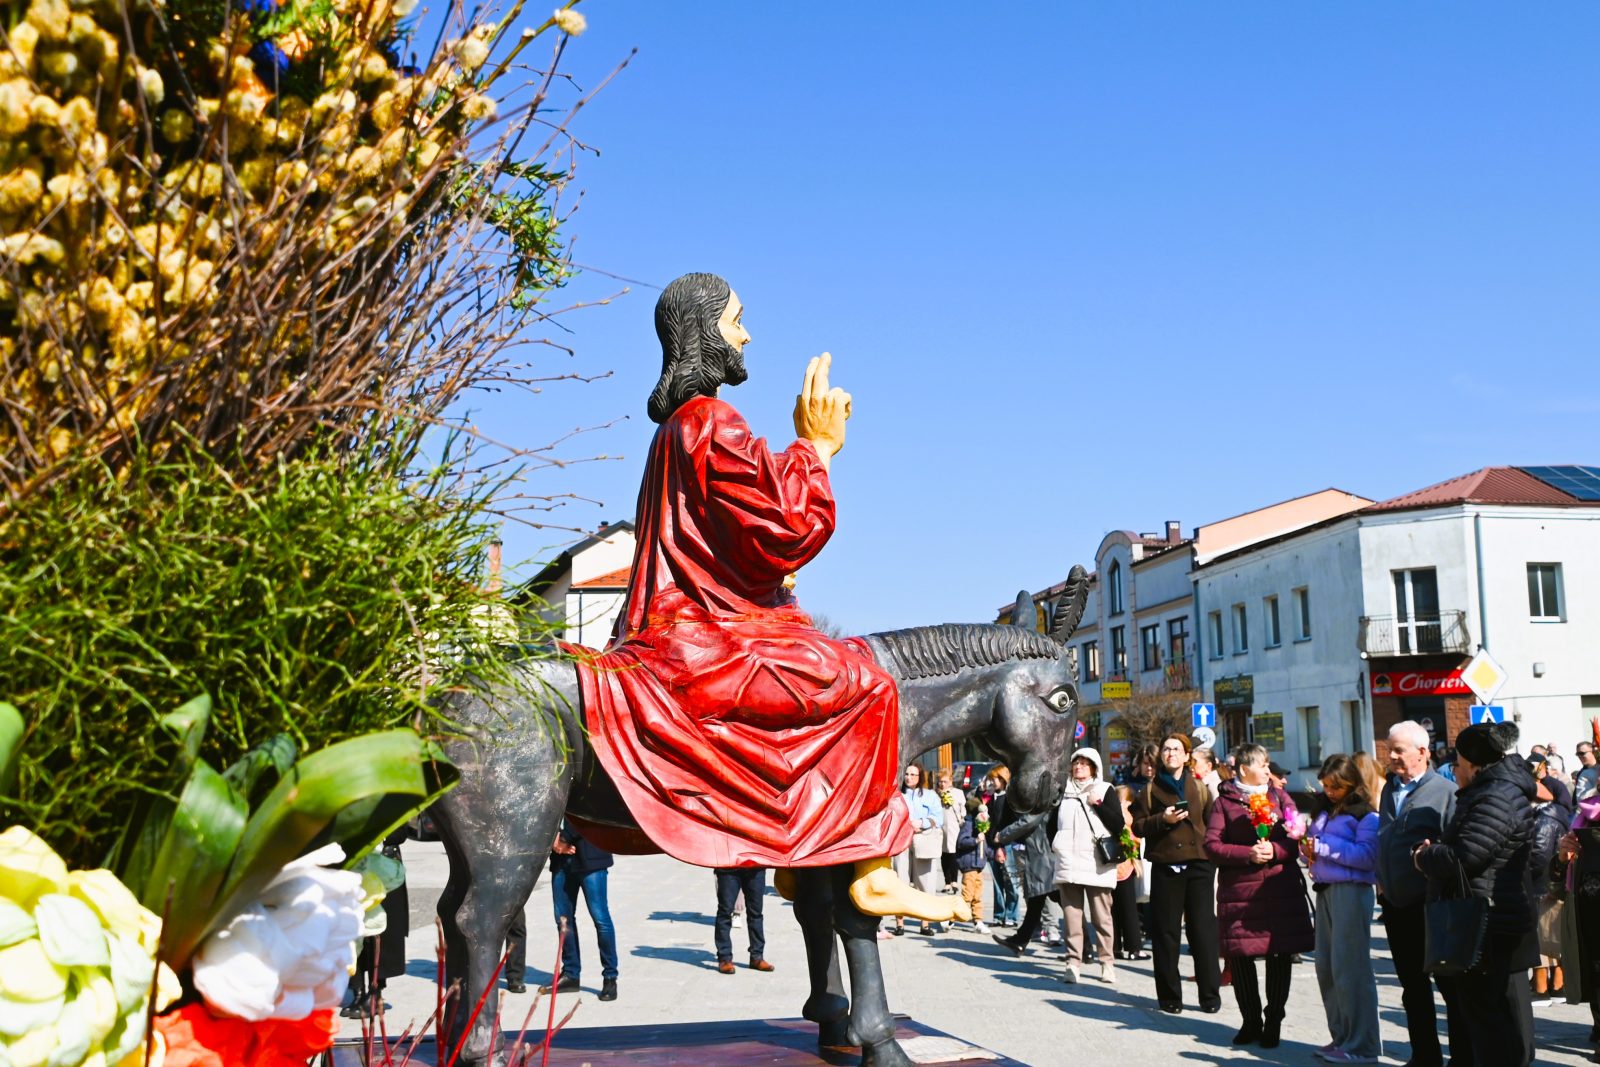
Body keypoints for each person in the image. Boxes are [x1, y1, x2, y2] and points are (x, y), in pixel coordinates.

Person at [567, 273, 958, 926]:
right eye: (736, 320)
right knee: (868, 684)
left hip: (695, 626)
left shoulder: (676, 431)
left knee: (830, 669)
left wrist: (761, 581)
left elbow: (724, 543)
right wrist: (817, 447)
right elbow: (785, 523)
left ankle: (798, 848)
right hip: (698, 642)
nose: (746, 333)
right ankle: (871, 865)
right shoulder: (711, 421)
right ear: (704, 331)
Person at [1414, 721, 1537, 1067]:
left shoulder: (1496, 795)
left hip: (1487, 920)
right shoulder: (1494, 790)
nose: (1454, 769)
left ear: (1475, 764)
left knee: (1489, 1018)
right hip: (1487, 914)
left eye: (1458, 761)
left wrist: (1425, 856)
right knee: (1487, 1015)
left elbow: (1466, 856)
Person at [1205, 743, 1314, 1049]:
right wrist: (1247, 853)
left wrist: (1276, 850)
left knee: (1280, 955)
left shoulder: (1279, 796)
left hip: (1280, 888)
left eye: (1268, 765)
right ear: (1242, 769)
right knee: (1240, 957)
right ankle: (1250, 1019)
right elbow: (1212, 845)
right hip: (1240, 892)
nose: (1268, 770)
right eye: (1262, 765)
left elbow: (1297, 838)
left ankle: (1274, 1020)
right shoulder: (1224, 802)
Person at [1376, 719, 1459, 1067]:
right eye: (1390, 748)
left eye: (1399, 750)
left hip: (1431, 906)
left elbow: (1454, 848)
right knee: (1412, 987)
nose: (1391, 755)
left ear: (1423, 752)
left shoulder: (1445, 792)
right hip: (1395, 906)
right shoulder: (1388, 789)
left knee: (1449, 988)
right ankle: (1424, 1056)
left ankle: (1462, 1056)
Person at [1130, 732, 1222, 1015]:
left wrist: (1212, 857)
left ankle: (1209, 995)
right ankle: (1170, 996)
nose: (1171, 753)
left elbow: (1212, 823)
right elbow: (1138, 827)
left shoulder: (1200, 787)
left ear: (1186, 756)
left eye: (1176, 749)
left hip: (1198, 865)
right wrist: (1163, 819)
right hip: (1166, 865)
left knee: (1203, 931)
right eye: (1166, 749)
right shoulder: (1148, 789)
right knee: (1166, 933)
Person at [1303, 754, 1382, 1064]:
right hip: (1326, 891)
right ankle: (1341, 1037)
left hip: (1352, 892)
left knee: (1351, 969)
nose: (1329, 791)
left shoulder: (1366, 816)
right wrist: (1307, 849)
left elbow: (1366, 857)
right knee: (1328, 967)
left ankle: (1361, 1045)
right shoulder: (1325, 810)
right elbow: (1315, 845)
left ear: (1351, 784)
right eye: (1325, 786)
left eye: (1335, 786)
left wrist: (1321, 848)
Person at [1052, 747, 1123, 985]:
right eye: (1076, 763)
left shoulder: (1105, 789)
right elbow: (1051, 825)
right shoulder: (1063, 792)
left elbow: (1118, 824)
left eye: (1084, 763)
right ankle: (1073, 962)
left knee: (1102, 916)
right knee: (1072, 916)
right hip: (1068, 861)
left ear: (1094, 767)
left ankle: (1107, 963)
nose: (1079, 767)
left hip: (1096, 862)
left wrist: (1099, 804)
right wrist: (1057, 844)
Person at [540, 821, 619, 1001]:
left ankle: (610, 977)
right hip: (561, 859)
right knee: (563, 919)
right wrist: (554, 839)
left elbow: (591, 811)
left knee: (600, 919)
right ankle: (570, 974)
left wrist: (565, 837)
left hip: (590, 855)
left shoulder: (597, 790)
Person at [343, 827, 411, 1016]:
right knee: (352, 931)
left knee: (380, 935)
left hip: (383, 863)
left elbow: (400, 831)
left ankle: (375, 992)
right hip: (355, 860)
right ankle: (357, 991)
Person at [1528, 754, 1573, 1006]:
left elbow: (1538, 855)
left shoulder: (1544, 817)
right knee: (1551, 935)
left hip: (1542, 884)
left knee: (1544, 936)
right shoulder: (1552, 814)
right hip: (1550, 880)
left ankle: (1546, 987)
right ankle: (1555, 986)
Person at [892, 764, 947, 935]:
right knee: (899, 880)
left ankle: (925, 924)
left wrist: (922, 822)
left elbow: (938, 818)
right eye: (907, 774)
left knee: (926, 882)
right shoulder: (897, 795)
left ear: (920, 776)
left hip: (923, 841)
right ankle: (899, 923)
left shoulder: (930, 795)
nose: (909, 777)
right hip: (901, 841)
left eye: (913, 774)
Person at [1110, 784, 1149, 961]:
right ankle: (1134, 948)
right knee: (1129, 910)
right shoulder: (1127, 814)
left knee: (1113, 910)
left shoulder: (1109, 812)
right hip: (1126, 865)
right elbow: (1134, 839)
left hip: (1110, 866)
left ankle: (1115, 947)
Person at [713, 867, 775, 975]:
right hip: (728, 866)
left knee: (756, 913)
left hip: (755, 866)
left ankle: (757, 957)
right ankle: (724, 958)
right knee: (725, 912)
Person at [983, 767, 1021, 927]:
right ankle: (999, 915)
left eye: (996, 779)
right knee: (997, 883)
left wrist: (1001, 845)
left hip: (1006, 846)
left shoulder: (1009, 799)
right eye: (991, 779)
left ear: (1004, 779)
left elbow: (1010, 825)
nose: (993, 782)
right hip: (993, 845)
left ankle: (1012, 916)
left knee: (1010, 881)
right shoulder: (991, 798)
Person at [954, 796, 991, 935]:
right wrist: (975, 840)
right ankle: (952, 918)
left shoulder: (980, 825)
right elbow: (961, 842)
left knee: (978, 895)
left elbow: (984, 845)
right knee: (967, 895)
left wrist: (991, 854)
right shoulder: (968, 825)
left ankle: (978, 921)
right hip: (969, 866)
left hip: (978, 866)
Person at [938, 771, 967, 893]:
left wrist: (961, 817)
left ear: (950, 781)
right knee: (944, 854)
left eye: (945, 781)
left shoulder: (958, 793)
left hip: (954, 826)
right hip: (942, 827)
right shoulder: (937, 794)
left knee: (953, 852)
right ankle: (947, 881)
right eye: (941, 781)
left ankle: (954, 880)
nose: (943, 784)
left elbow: (963, 809)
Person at [1575, 726, 1600, 801]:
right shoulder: (1584, 774)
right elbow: (1581, 799)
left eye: (1582, 753)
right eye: (1577, 754)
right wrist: (1598, 789)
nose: (1579, 756)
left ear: (1593, 751)